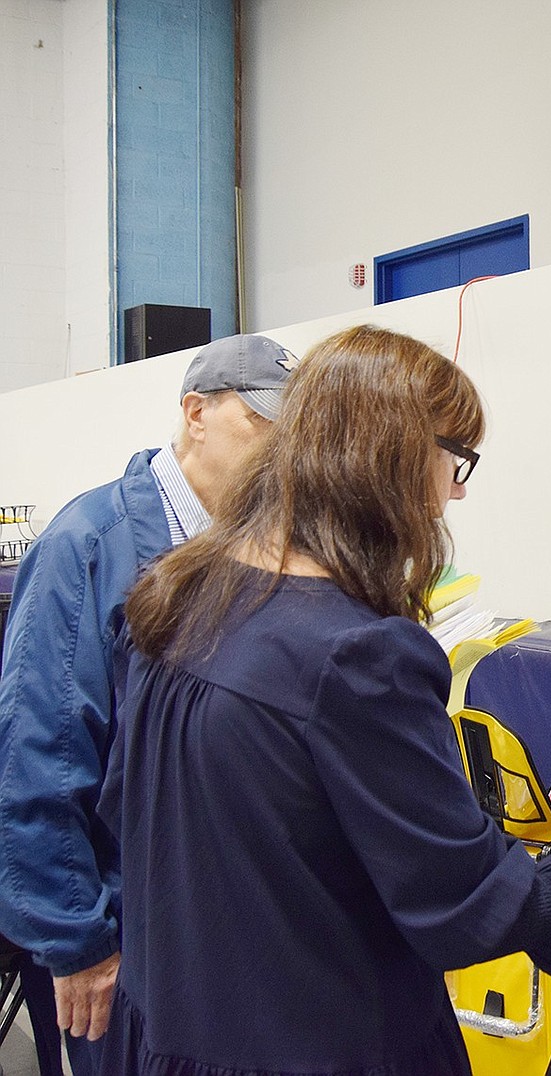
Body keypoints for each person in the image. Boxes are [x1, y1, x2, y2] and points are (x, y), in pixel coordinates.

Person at [97, 323, 551, 1075]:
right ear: (385, 457)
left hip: (173, 1037)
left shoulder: (175, 594)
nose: (454, 490)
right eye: (456, 459)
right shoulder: (354, 657)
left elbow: (133, 812)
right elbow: (473, 899)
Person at [0, 333, 296, 1076]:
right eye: (262, 424)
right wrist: (78, 944)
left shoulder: (251, 549)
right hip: (122, 937)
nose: (279, 453)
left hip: (215, 927)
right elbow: (37, 757)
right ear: (196, 412)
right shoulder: (89, 547)